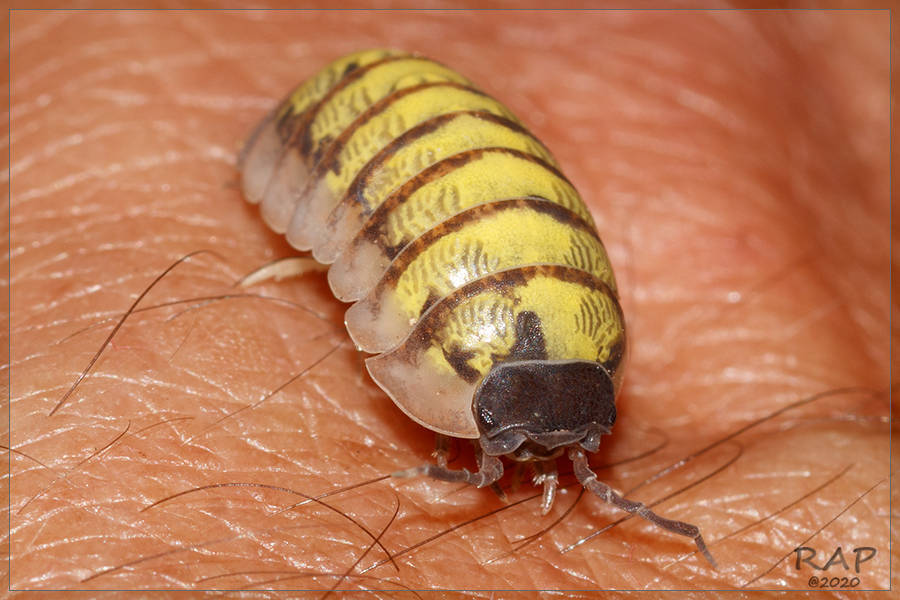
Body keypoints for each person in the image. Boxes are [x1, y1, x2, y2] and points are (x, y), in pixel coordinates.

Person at [9, 9, 890, 591]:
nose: (540, 447)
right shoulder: (474, 312)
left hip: (402, 141)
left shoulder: (556, 338)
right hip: (341, 120)